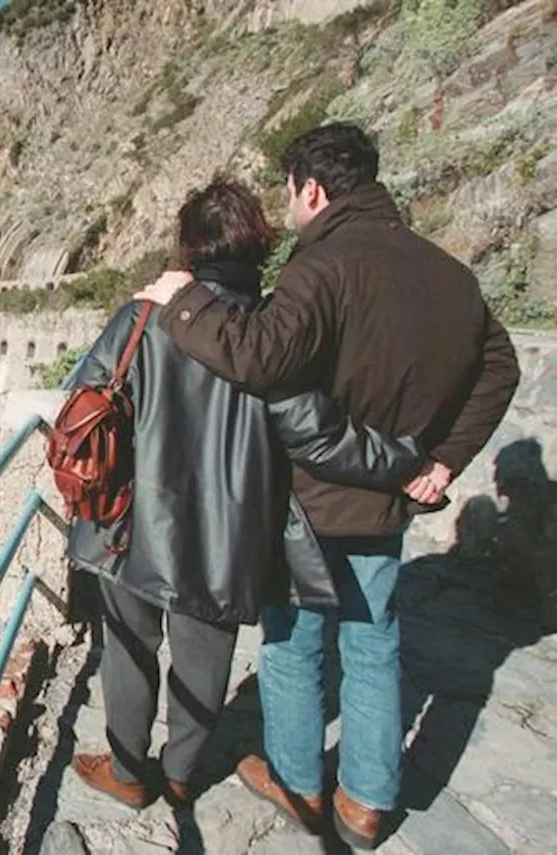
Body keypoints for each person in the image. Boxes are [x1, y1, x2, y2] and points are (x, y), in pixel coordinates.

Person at [135, 123, 520, 849]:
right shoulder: (451, 274)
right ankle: (370, 800)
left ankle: (298, 779)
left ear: (311, 189)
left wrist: (183, 300)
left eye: (291, 194)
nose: (292, 210)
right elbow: (500, 368)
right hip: (391, 495)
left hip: (312, 494)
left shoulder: (323, 266)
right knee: (375, 642)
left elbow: (255, 355)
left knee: (293, 643)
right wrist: (443, 458)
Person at [64, 178, 426, 816]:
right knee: (204, 661)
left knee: (127, 649)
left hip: (131, 522)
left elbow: (86, 399)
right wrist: (407, 461)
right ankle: (178, 773)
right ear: (257, 248)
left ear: (189, 247)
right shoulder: (274, 332)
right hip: (225, 534)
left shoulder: (142, 316)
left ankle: (127, 771)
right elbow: (319, 436)